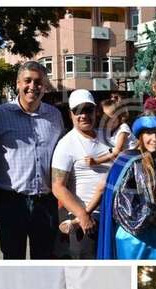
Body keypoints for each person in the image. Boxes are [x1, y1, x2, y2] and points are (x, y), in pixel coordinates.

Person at [0, 60, 64, 259]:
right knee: (13, 259)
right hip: (11, 203)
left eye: (38, 82)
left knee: (45, 260)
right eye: (27, 81)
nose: (33, 87)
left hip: (45, 204)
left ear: (44, 85)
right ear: (18, 83)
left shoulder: (54, 116)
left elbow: (63, 158)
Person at [97, 114, 156, 259]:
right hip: (136, 240)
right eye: (149, 133)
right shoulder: (129, 161)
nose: (154, 139)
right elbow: (123, 207)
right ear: (140, 135)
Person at [51, 90, 112, 259]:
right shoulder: (66, 144)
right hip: (85, 220)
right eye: (78, 111)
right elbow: (58, 187)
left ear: (96, 111)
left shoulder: (107, 136)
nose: (84, 115)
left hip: (111, 216)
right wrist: (82, 215)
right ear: (70, 114)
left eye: (88, 110)